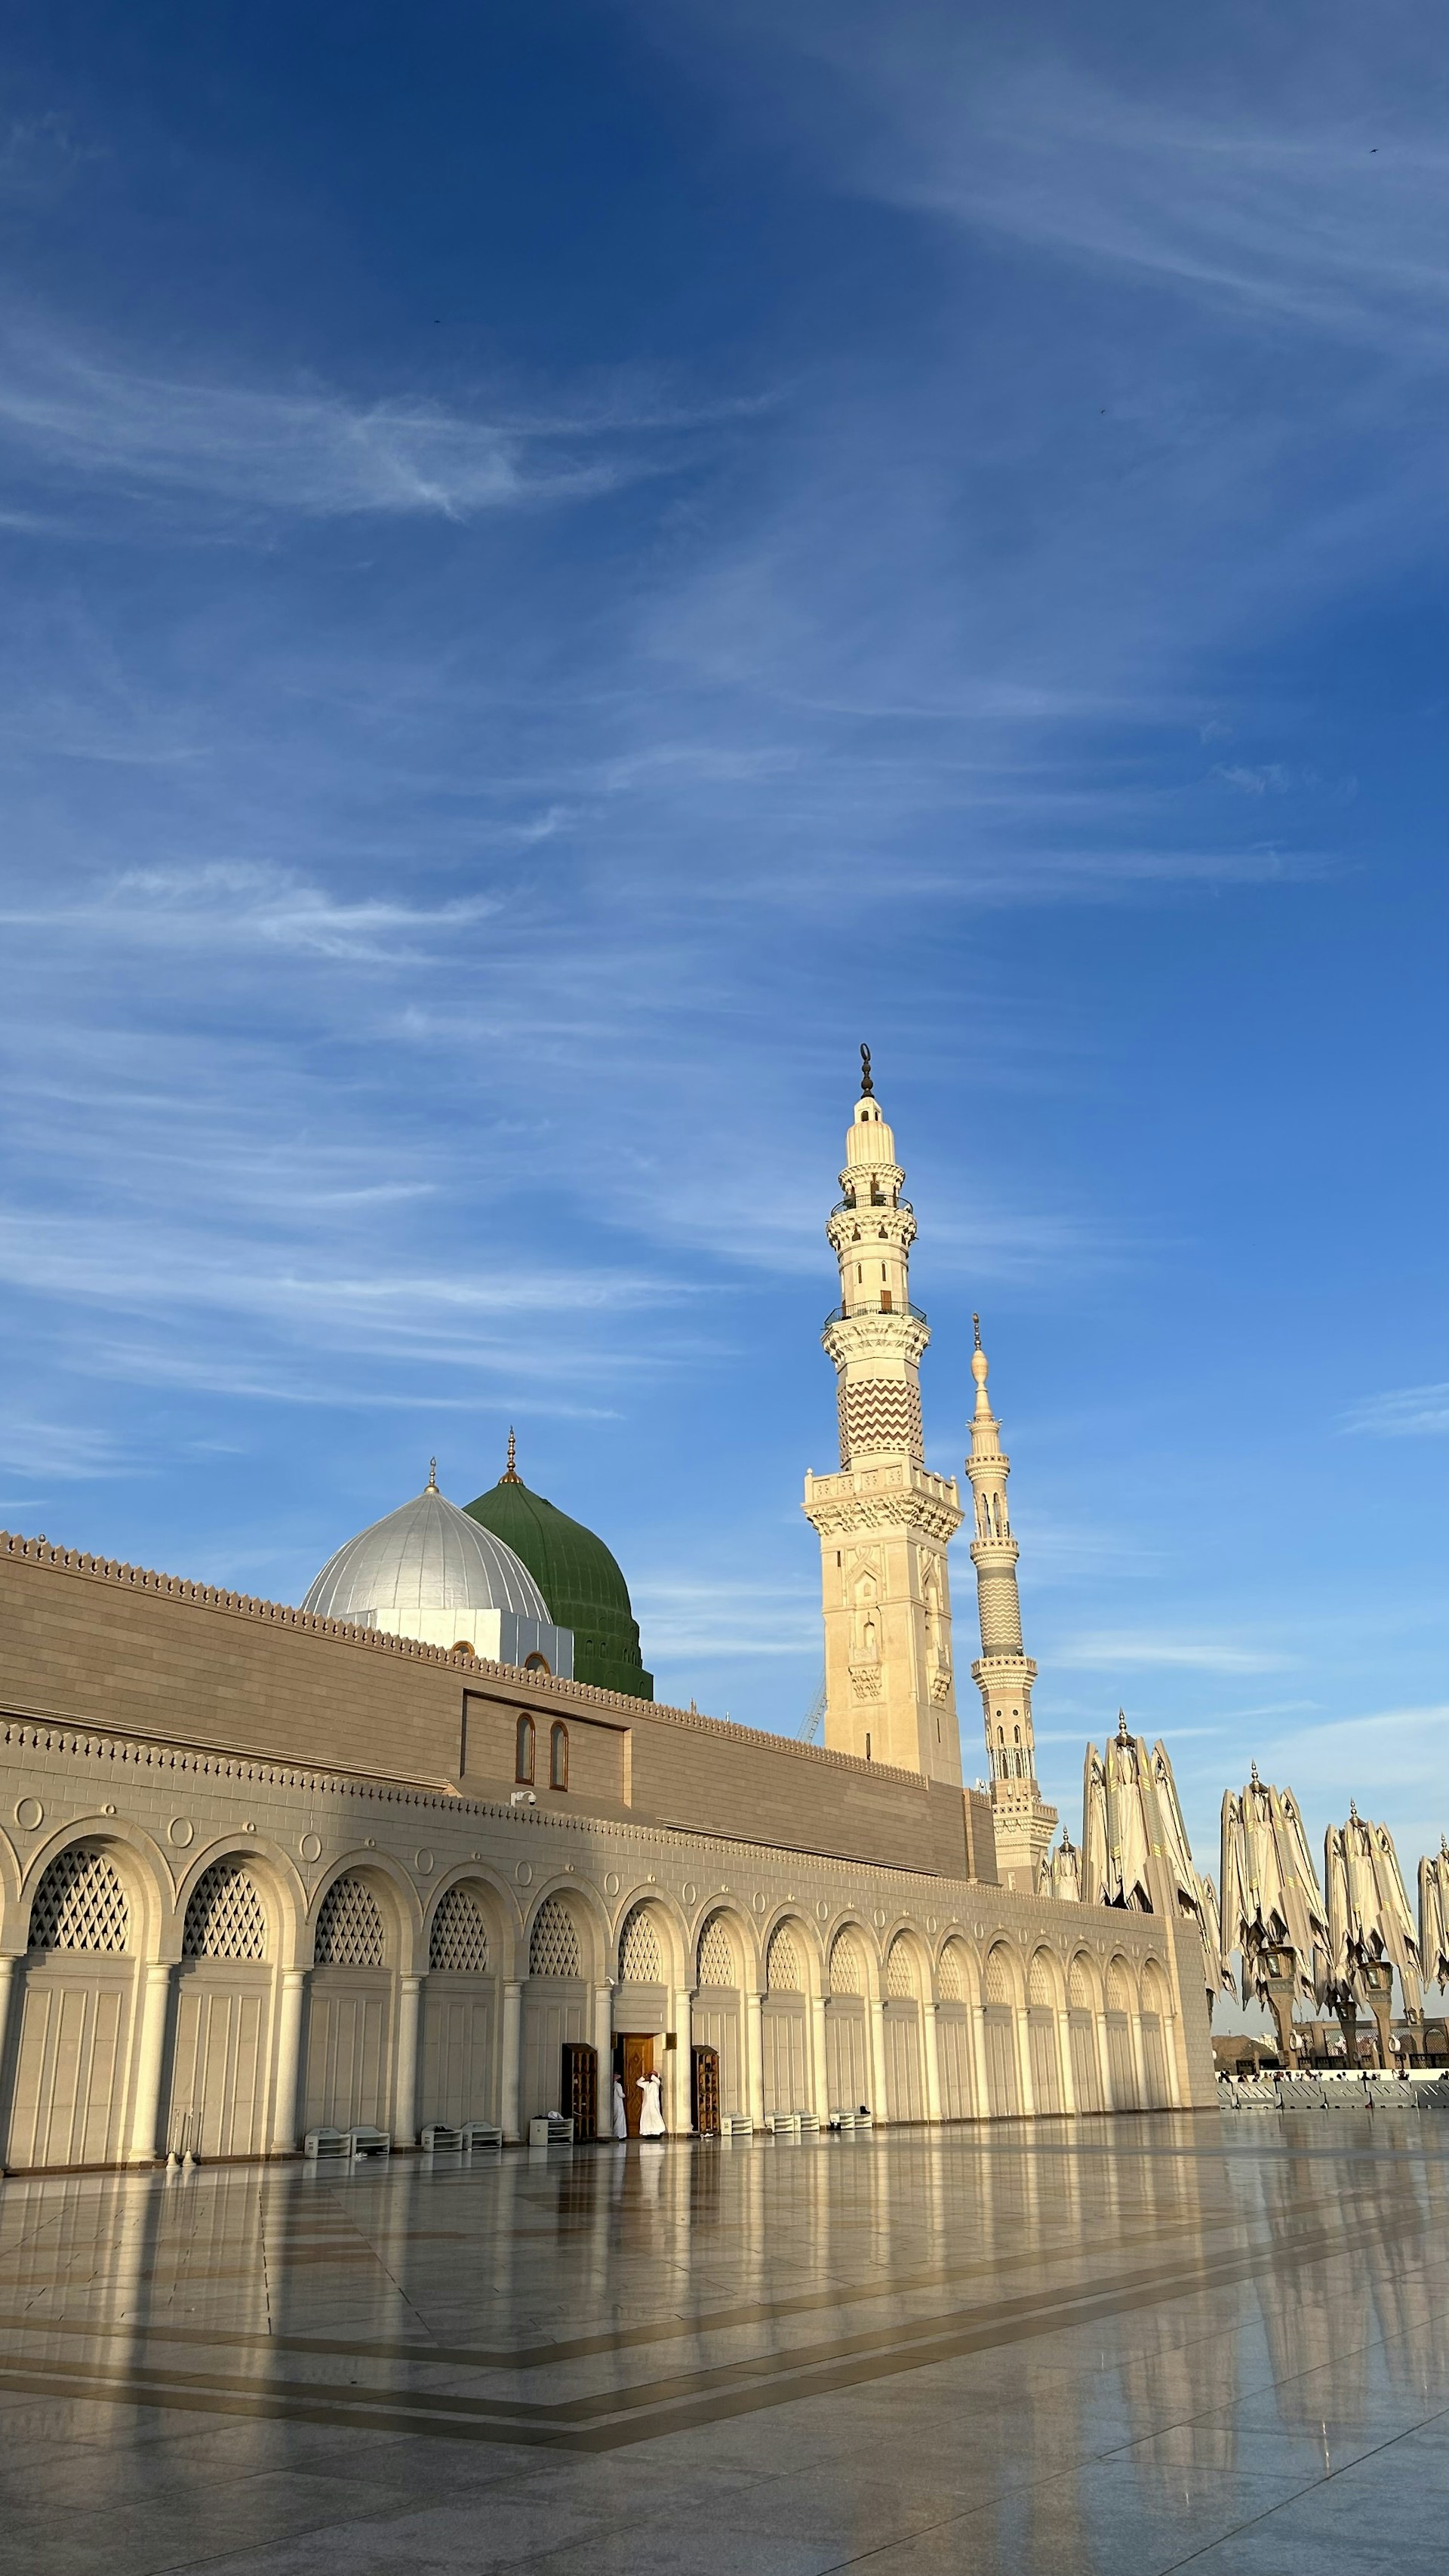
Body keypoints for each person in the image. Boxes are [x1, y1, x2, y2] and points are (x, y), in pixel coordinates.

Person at [637, 2068, 666, 2137]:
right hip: (646, 2104)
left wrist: (651, 2075)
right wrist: (643, 2078)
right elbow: (638, 2083)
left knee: (655, 2117)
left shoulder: (657, 2083)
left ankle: (657, 2132)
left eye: (652, 2075)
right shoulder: (647, 2084)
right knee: (646, 2118)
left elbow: (657, 2080)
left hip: (654, 2104)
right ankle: (647, 2132)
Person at [611, 2076, 628, 2141]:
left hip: (614, 2103)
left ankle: (615, 2133)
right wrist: (625, 2095)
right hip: (618, 2103)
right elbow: (621, 2094)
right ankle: (620, 2135)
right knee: (620, 2119)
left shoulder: (612, 2085)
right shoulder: (618, 2085)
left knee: (615, 2119)